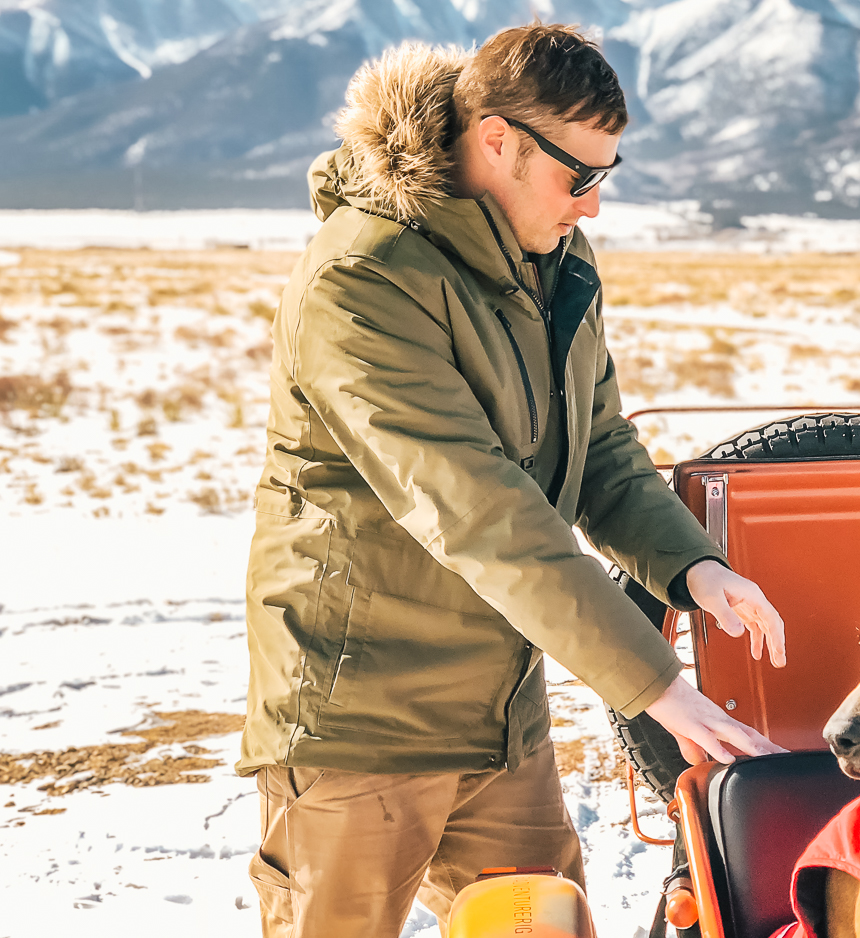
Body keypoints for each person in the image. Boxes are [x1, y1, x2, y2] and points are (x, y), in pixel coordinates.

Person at [239, 25, 788, 938]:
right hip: (359, 722)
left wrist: (694, 569)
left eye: (608, 176)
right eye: (582, 177)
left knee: (547, 924)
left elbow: (602, 446)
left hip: (499, 723)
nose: (595, 207)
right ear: (497, 141)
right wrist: (655, 687)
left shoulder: (558, 264)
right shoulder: (360, 280)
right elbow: (479, 508)